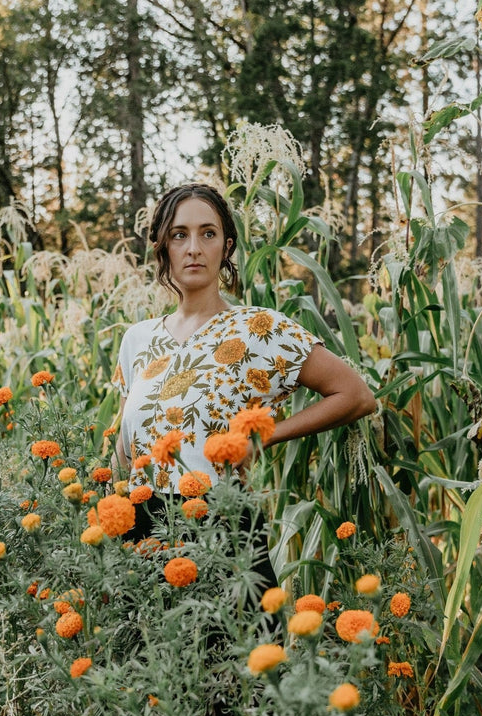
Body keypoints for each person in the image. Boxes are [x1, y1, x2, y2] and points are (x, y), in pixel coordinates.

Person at [112, 182, 377, 528]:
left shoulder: (259, 328)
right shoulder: (138, 338)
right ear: (162, 248)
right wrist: (107, 515)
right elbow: (124, 445)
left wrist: (262, 439)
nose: (193, 248)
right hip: (140, 524)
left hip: (221, 523)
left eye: (208, 234)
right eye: (179, 235)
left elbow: (356, 396)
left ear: (227, 247)